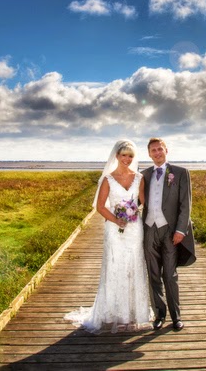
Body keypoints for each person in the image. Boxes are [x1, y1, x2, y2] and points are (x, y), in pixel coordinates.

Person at [64, 140, 152, 333]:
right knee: (115, 266)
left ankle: (134, 313)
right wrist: (116, 220)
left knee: (133, 266)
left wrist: (135, 212)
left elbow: (144, 202)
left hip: (135, 228)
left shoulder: (139, 178)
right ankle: (114, 313)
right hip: (114, 229)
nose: (127, 159)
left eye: (130, 156)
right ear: (117, 156)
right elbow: (100, 207)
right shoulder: (108, 179)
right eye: (124, 155)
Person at [142, 137, 196, 332]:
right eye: (153, 150)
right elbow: (135, 201)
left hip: (171, 231)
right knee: (153, 274)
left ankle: (176, 316)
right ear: (148, 153)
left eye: (160, 149)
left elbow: (185, 205)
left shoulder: (180, 173)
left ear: (166, 151)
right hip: (149, 230)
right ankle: (159, 314)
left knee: (170, 275)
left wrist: (181, 230)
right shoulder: (144, 175)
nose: (157, 153)